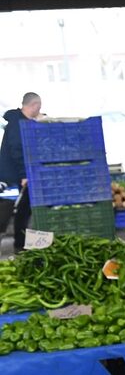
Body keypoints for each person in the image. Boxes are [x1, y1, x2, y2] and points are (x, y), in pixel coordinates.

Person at [0, 92, 39, 254]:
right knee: (6, 211)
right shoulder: (17, 123)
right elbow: (17, 150)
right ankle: (17, 243)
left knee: (23, 209)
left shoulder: (23, 122)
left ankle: (20, 243)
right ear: (34, 105)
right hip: (11, 177)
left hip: (17, 175)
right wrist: (23, 175)